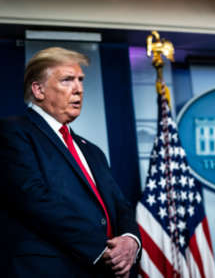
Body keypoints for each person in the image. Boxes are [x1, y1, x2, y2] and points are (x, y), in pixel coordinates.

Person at [0, 47, 141, 278]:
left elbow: (120, 204)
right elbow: (33, 199)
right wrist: (102, 247)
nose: (78, 89)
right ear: (38, 89)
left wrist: (129, 239)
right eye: (67, 80)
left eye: (80, 80)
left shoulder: (92, 151)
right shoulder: (13, 132)